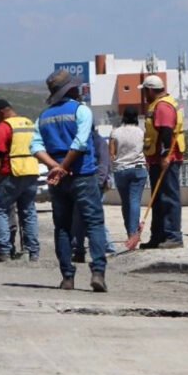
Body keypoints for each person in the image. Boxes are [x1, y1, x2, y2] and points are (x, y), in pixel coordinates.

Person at [33, 69, 109, 292]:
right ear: (71, 90)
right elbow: (80, 143)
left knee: (63, 227)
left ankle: (67, 277)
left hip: (58, 181)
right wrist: (63, 167)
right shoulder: (81, 111)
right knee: (94, 223)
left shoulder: (43, 117)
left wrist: (55, 167)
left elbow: (35, 147)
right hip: (82, 174)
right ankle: (98, 272)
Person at [0, 99, 41, 263]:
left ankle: (3, 250)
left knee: (0, 210)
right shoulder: (29, 123)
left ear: (1, 112)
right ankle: (32, 252)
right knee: (28, 211)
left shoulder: (4, 127)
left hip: (12, 172)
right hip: (31, 171)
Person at [138, 75, 185, 249]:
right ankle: (157, 236)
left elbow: (166, 132)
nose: (144, 95)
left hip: (166, 159)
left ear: (150, 90)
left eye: (144, 91)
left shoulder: (163, 106)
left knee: (169, 197)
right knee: (158, 199)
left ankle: (173, 236)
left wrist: (166, 156)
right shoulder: (157, 104)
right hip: (157, 159)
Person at [72, 127, 115, 262]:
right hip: (83, 183)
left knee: (92, 218)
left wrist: (99, 183)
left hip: (95, 184)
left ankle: (107, 247)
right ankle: (79, 249)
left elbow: (103, 164)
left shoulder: (98, 141)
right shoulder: (81, 141)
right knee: (80, 217)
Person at [109, 107, 148, 239]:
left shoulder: (115, 132)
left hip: (120, 170)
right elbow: (146, 149)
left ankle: (129, 232)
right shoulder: (141, 132)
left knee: (125, 202)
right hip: (138, 168)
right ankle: (133, 233)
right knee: (135, 201)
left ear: (123, 117)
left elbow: (112, 154)